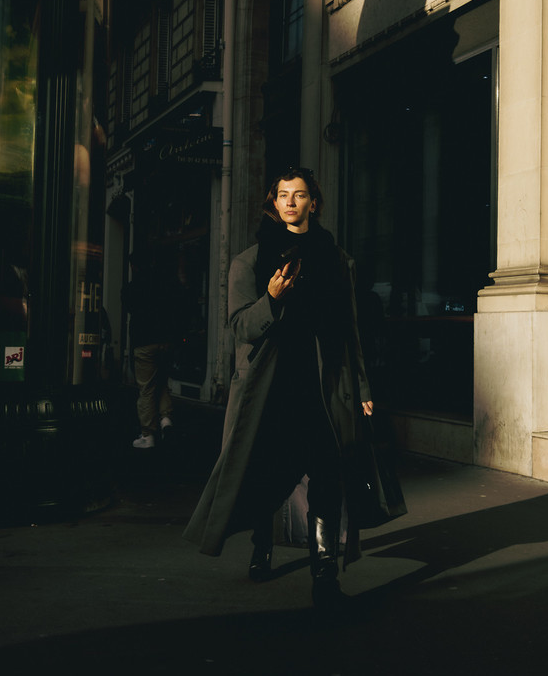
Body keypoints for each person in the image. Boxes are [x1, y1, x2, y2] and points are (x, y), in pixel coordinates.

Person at [183, 166, 374, 609]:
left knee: (327, 471)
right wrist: (271, 300)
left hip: (323, 385)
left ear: (313, 203)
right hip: (269, 388)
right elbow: (239, 329)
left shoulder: (335, 258)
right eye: (283, 194)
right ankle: (261, 544)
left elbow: (349, 330)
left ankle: (324, 573)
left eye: (300, 194)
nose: (291, 201)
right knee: (270, 472)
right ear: (273, 202)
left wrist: (361, 385)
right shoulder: (248, 262)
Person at [122, 250, 190, 449]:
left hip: (144, 343)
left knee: (146, 388)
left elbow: (129, 308)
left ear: (133, 266)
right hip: (165, 342)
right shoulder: (164, 284)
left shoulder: (131, 288)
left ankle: (147, 434)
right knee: (161, 383)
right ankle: (166, 420)